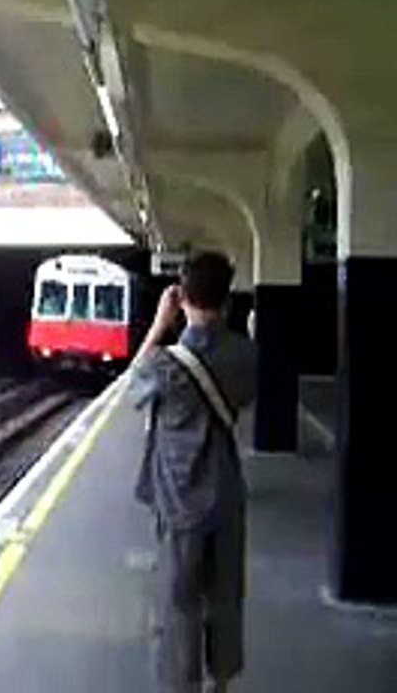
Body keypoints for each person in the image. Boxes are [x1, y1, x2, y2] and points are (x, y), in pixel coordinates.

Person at [129, 252, 256, 693]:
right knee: (225, 597)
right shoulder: (245, 354)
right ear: (226, 301)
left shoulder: (165, 365)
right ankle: (223, 683)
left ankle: (180, 685)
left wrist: (160, 324)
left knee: (177, 603)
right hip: (226, 495)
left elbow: (132, 385)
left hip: (178, 500)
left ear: (182, 297)